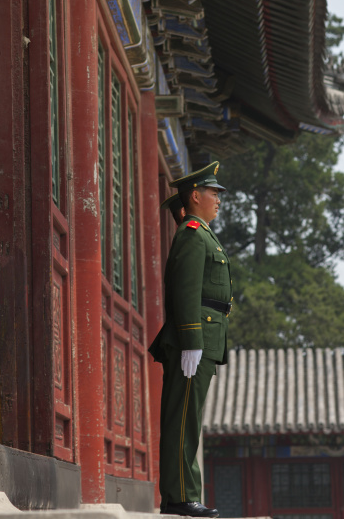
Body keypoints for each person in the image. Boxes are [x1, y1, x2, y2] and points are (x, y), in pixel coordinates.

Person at [149, 161, 232, 518]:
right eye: (214, 193)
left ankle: (180, 495)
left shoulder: (203, 233)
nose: (218, 200)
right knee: (182, 421)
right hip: (193, 340)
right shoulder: (192, 234)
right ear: (195, 196)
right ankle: (181, 497)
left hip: (205, 338)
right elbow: (184, 292)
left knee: (189, 421)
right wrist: (191, 340)